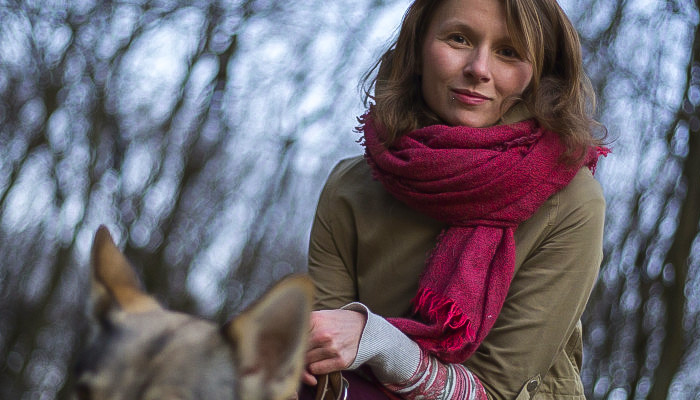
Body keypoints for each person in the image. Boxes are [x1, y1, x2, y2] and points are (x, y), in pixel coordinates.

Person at [302, 0, 608, 398]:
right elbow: (323, 363)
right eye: (459, 39)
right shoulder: (351, 186)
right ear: (417, 47)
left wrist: (374, 339)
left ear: (540, 75)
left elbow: (493, 392)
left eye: (509, 52)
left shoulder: (571, 201)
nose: (479, 69)